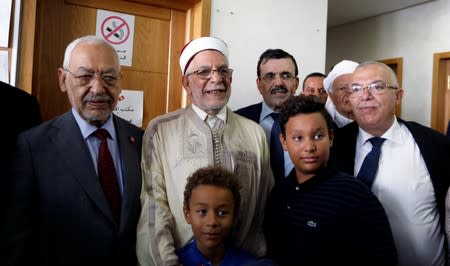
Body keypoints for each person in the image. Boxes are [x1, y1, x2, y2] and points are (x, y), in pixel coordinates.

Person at [2, 35, 144, 266]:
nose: (98, 89)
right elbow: (16, 241)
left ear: (120, 81)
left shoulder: (140, 140)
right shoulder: (33, 147)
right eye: (85, 76)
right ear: (63, 79)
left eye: (109, 77)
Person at [136, 36, 274, 266]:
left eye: (222, 70)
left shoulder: (255, 133)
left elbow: (265, 204)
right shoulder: (161, 130)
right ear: (186, 83)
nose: (216, 78)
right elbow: (154, 207)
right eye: (203, 72)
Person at [330, 61, 450, 266]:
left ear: (398, 96)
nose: (366, 96)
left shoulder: (435, 145)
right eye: (356, 89)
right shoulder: (334, 147)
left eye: (377, 87)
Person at [264, 95, 397, 265]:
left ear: (331, 138)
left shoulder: (355, 195)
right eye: (298, 138)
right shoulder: (279, 194)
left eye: (318, 136)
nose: (309, 147)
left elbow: (384, 257)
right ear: (283, 141)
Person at [235, 48, 299, 181]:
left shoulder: (313, 121)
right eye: (270, 76)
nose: (278, 83)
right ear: (259, 85)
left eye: (286, 75)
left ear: (296, 83)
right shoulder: (237, 120)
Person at [177, 166, 259, 266]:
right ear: (187, 214)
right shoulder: (174, 261)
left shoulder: (250, 263)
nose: (212, 222)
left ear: (235, 215)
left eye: (222, 213)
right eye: (202, 211)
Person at [323, 60, 358, 127]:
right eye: (342, 88)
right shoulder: (323, 124)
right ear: (331, 95)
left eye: (355, 87)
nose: (350, 92)